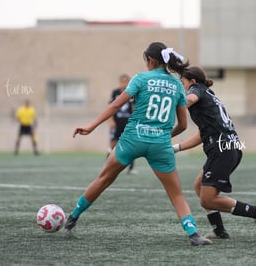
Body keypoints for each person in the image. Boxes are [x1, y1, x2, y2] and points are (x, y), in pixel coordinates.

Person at [65, 42, 212, 246]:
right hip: (160, 144)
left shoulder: (141, 79)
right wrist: (161, 135)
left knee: (104, 179)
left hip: (132, 139)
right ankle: (193, 234)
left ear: (151, 60)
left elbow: (116, 105)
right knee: (176, 194)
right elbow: (183, 125)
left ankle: (72, 217)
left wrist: (91, 126)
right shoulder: (177, 85)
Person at [173, 66, 256, 239]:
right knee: (199, 186)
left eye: (183, 82)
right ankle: (219, 230)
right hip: (228, 148)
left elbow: (190, 99)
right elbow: (201, 135)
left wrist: (170, 103)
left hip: (222, 150)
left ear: (192, 82)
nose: (182, 86)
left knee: (207, 200)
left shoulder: (197, 90)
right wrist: (176, 148)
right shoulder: (209, 95)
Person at [108, 74, 137, 174]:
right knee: (113, 144)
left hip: (128, 123)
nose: (124, 84)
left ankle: (131, 167)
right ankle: (109, 164)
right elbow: (111, 106)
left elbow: (134, 107)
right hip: (117, 123)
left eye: (126, 82)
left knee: (130, 145)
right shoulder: (115, 92)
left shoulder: (132, 92)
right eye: (122, 82)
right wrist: (111, 120)